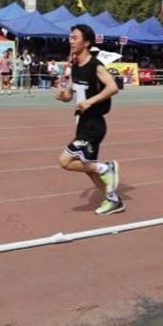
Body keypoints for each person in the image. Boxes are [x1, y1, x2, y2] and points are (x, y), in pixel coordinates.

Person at [55, 24, 123, 215]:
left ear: (86, 42)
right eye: (70, 37)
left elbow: (113, 87)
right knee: (88, 168)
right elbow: (70, 95)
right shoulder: (75, 66)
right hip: (82, 123)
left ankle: (107, 168)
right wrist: (63, 96)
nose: (71, 41)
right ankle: (114, 201)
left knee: (65, 161)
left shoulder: (96, 65)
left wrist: (90, 101)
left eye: (75, 38)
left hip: (94, 124)